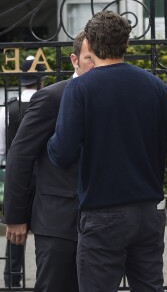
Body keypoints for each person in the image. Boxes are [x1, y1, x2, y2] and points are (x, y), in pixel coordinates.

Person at [47, 10, 167, 292]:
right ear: (127, 44)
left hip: (100, 214)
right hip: (146, 214)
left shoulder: (79, 89)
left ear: (91, 46)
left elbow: (61, 154)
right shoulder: (154, 85)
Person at [3, 31, 94, 292]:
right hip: (58, 222)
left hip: (102, 219)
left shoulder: (113, 95)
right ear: (74, 60)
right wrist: (16, 216)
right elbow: (20, 155)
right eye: (90, 58)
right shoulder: (52, 98)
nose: (96, 64)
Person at [0, 56, 46, 288]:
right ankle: (44, 280)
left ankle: (12, 280)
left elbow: (3, 149)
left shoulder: (9, 110)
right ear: (41, 80)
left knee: (15, 235)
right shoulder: (50, 103)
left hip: (18, 178)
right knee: (47, 235)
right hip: (48, 178)